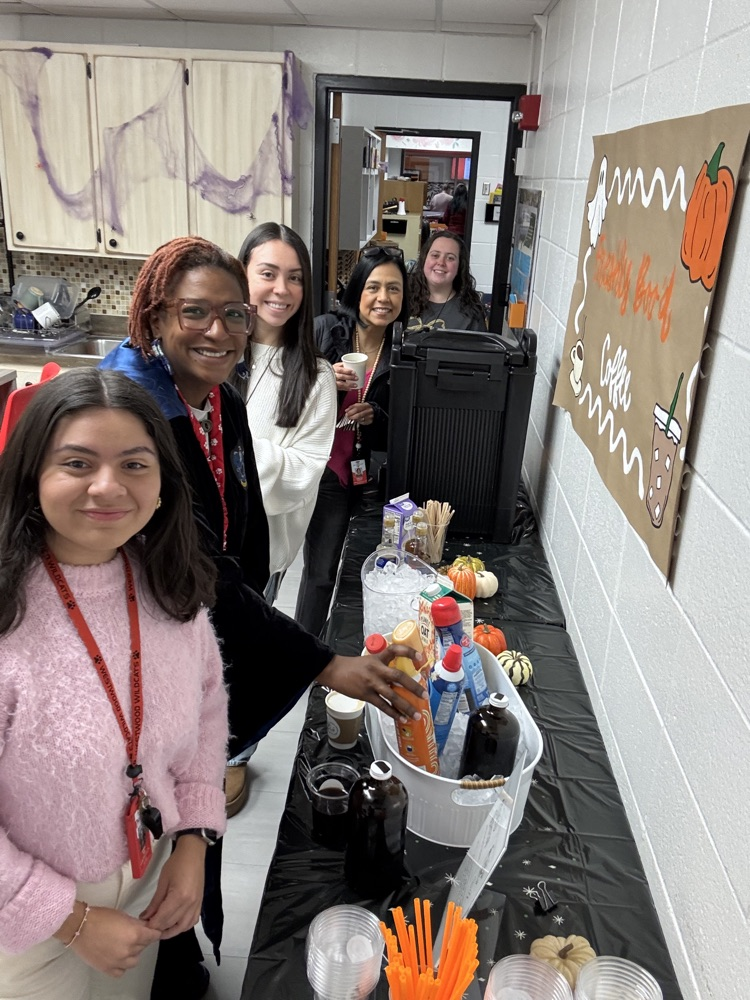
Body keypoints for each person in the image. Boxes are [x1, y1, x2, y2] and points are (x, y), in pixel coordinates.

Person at [100, 237, 424, 998]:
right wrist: (321, 660)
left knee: (191, 815)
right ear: (154, 313)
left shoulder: (218, 402)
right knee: (139, 837)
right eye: (195, 313)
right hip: (130, 663)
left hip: (195, 649)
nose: (218, 332)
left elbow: (236, 542)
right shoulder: (130, 411)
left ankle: (179, 953)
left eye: (232, 316)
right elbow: (195, 566)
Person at [0, 368, 227, 1000]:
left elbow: (207, 713)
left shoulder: (168, 590)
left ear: (162, 483)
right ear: (32, 474)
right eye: (77, 463)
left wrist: (193, 839)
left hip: (144, 878)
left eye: (133, 464)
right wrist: (69, 920)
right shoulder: (8, 615)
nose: (108, 487)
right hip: (22, 922)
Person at [295, 246, 409, 637]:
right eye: (373, 287)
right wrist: (324, 378)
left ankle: (306, 651)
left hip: (346, 475)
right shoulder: (325, 330)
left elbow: (403, 427)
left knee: (323, 572)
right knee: (268, 561)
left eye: (393, 288)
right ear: (358, 289)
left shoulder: (403, 351)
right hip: (301, 463)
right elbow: (286, 393)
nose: (383, 298)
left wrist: (377, 415)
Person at [236, 223, 337, 605]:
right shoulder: (214, 351)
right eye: (268, 273)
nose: (281, 289)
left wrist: (225, 451)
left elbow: (303, 473)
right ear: (241, 274)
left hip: (258, 560)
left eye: (294, 278)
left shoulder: (315, 376)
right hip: (190, 545)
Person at [407, 230, 486, 333]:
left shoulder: (471, 313)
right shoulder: (401, 297)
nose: (441, 262)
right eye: (435, 255)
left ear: (460, 266)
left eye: (450, 258)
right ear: (424, 259)